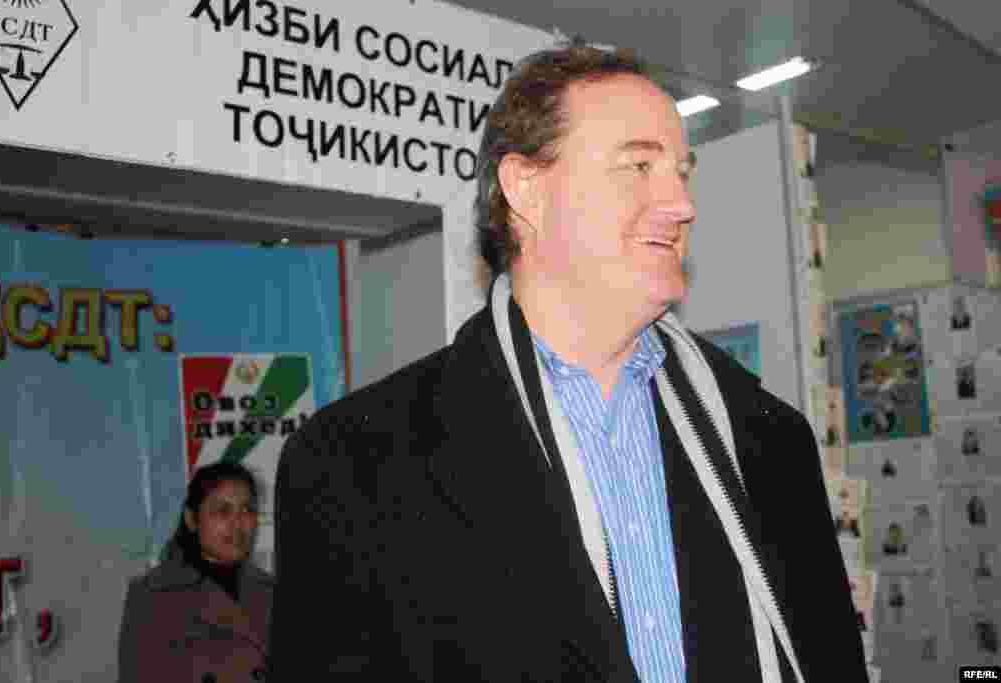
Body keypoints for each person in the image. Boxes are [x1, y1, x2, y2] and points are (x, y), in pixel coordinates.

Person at [272, 43, 866, 683]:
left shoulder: (769, 441)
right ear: (527, 190)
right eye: (639, 166)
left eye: (681, 172)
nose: (681, 204)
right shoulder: (355, 463)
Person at [118, 462, 272, 683]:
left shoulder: (272, 591)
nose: (238, 524)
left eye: (247, 510)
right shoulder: (152, 596)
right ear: (192, 520)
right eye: (223, 511)